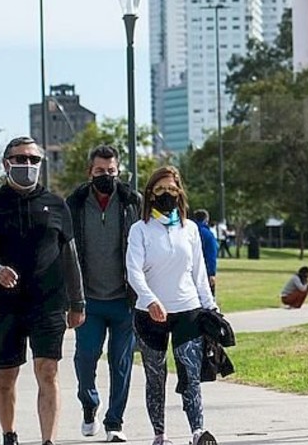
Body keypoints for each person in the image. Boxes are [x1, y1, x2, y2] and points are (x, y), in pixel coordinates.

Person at [0, 136, 86, 445]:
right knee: (6, 376)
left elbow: (70, 257)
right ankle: (9, 434)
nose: (28, 165)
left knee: (48, 371)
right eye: (21, 159)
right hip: (4, 305)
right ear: (7, 163)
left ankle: (48, 440)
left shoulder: (57, 205)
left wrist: (78, 302)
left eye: (34, 160)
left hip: (48, 304)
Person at [126, 166, 219, 445]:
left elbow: (199, 272)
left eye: (171, 189)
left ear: (179, 193)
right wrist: (150, 299)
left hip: (187, 309)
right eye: (160, 190)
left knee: (190, 371)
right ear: (150, 194)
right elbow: (134, 270)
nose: (166, 194)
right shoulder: (140, 229)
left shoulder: (189, 229)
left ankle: (198, 431)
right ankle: (160, 435)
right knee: (156, 376)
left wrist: (210, 307)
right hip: (150, 312)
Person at [65, 145, 141, 442]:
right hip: (88, 301)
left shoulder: (132, 202)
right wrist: (70, 297)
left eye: (111, 171)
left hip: (125, 300)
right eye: (100, 171)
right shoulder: (75, 203)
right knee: (85, 359)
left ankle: (114, 423)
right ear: (89, 173)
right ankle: (89, 404)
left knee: (121, 363)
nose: (106, 176)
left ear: (119, 172)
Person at [192, 209, 219, 295]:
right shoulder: (208, 234)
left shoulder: (187, 231)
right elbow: (211, 255)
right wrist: (212, 273)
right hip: (203, 270)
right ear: (206, 220)